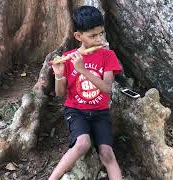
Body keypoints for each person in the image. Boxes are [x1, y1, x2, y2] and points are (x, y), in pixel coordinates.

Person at [48, 5, 123, 180]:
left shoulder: (108, 55)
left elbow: (107, 88)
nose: (99, 39)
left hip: (100, 112)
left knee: (107, 153)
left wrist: (83, 70)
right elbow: (60, 94)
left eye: (101, 34)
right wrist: (59, 76)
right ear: (78, 36)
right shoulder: (69, 57)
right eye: (93, 36)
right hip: (76, 111)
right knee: (82, 144)